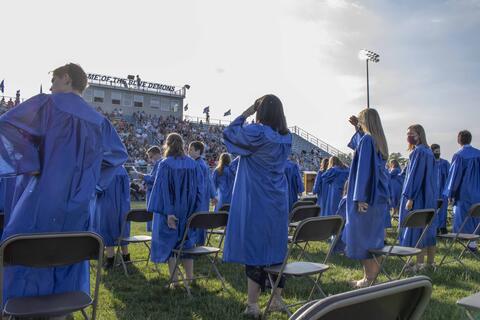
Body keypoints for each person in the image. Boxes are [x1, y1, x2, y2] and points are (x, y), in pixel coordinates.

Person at [0, 63, 128, 305]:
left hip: (41, 196)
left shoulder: (47, 104)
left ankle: (20, 306)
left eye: (54, 81)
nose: (51, 87)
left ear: (66, 78)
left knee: (23, 252)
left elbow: (6, 125)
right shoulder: (100, 121)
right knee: (69, 255)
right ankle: (62, 308)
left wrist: (32, 161)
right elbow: (117, 156)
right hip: (79, 204)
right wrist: (91, 184)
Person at [222, 94, 291, 317]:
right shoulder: (286, 137)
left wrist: (246, 112)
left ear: (261, 112)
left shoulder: (257, 132)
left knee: (255, 250)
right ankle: (276, 300)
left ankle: (253, 305)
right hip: (278, 199)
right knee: (276, 248)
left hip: (256, 198)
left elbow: (229, 134)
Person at [147, 133, 203, 287]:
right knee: (186, 242)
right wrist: (196, 211)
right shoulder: (193, 164)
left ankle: (175, 281)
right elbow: (199, 189)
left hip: (170, 211)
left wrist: (169, 212)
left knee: (170, 244)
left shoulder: (165, 164)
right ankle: (190, 277)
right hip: (188, 211)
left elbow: (163, 190)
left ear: (168, 144)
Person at [344, 108, 389, 288]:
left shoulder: (368, 140)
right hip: (377, 198)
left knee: (364, 239)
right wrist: (357, 128)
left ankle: (368, 279)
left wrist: (361, 197)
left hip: (367, 198)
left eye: (361, 120)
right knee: (374, 240)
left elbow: (364, 170)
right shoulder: (377, 140)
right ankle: (370, 278)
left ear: (366, 121)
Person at [399, 125, 438, 270]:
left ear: (420, 134)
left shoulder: (419, 152)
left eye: (411, 133)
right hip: (429, 195)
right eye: (407, 133)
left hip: (418, 196)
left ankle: (419, 264)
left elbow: (415, 176)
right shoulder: (428, 151)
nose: (408, 136)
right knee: (428, 227)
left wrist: (410, 197)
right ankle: (430, 263)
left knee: (417, 228)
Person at [444, 130, 480, 251]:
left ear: (459, 140)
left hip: (464, 193)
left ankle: (468, 245)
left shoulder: (459, 155)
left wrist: (451, 193)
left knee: (465, 218)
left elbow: (455, 176)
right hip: (478, 192)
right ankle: (473, 244)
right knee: (476, 217)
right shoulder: (478, 154)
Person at [93, 166, 131, 269]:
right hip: (123, 205)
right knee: (121, 230)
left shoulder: (104, 170)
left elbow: (98, 189)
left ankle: (110, 259)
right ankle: (126, 257)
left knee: (107, 229)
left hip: (106, 205)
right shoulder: (122, 170)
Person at [188, 141, 217, 245]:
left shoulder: (197, 164)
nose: (188, 152)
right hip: (203, 198)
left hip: (198, 198)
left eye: (191, 149)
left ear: (198, 151)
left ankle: (196, 244)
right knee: (201, 220)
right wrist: (213, 195)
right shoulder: (203, 164)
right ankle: (200, 244)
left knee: (197, 221)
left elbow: (200, 184)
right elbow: (210, 181)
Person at [134, 145, 162, 231]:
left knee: (153, 216)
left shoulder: (160, 163)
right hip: (152, 193)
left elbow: (154, 179)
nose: (150, 159)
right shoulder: (158, 164)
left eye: (151, 156)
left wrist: (143, 176)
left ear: (157, 154)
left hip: (155, 195)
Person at [431, 144, 450, 235]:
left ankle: (442, 227)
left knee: (443, 209)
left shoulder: (445, 163)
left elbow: (450, 177)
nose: (437, 153)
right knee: (433, 209)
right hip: (432, 190)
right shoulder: (429, 162)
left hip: (443, 191)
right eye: (435, 152)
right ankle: (434, 227)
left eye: (438, 151)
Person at [388, 159, 404, 227]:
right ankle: (394, 216)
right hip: (395, 187)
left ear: (393, 163)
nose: (390, 164)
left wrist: (387, 169)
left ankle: (393, 216)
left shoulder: (395, 170)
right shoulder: (397, 169)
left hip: (395, 188)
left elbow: (388, 175)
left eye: (391, 163)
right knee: (395, 202)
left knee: (395, 201)